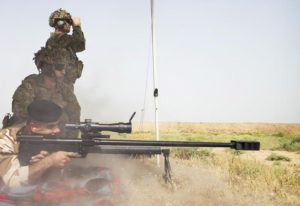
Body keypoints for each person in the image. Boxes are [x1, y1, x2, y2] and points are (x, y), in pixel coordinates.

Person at [0, 100, 77, 187]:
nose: (57, 130)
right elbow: (11, 183)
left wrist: (44, 163)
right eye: (51, 126)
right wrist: (49, 161)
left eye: (58, 125)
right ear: (34, 127)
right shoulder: (5, 139)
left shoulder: (49, 136)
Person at [10, 47, 81, 134]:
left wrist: (71, 142)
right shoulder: (30, 85)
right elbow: (21, 112)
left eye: (64, 68)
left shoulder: (64, 89)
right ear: (48, 68)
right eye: (59, 68)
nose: (63, 72)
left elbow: (74, 114)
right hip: (31, 135)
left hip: (57, 137)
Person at [47, 8, 86, 91]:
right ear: (59, 23)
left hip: (60, 84)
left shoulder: (54, 40)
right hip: (60, 85)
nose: (69, 25)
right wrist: (77, 26)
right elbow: (80, 44)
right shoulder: (61, 39)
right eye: (67, 22)